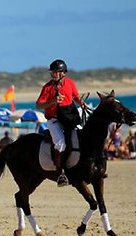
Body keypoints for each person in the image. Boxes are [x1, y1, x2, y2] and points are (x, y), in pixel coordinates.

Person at [36, 59, 85, 187]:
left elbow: (75, 96)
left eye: (55, 72)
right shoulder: (47, 87)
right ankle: (61, 173)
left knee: (83, 136)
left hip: (69, 118)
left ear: (63, 73)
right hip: (54, 120)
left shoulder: (70, 83)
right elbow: (38, 105)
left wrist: (81, 103)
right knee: (61, 144)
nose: (52, 74)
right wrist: (52, 101)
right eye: (52, 72)